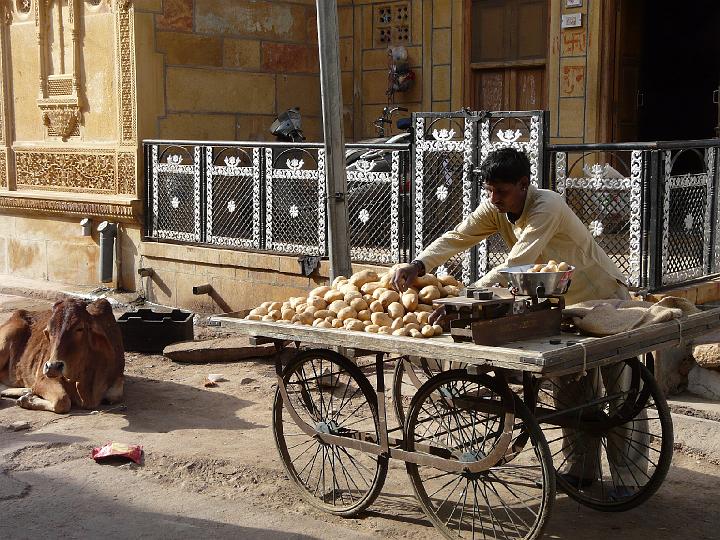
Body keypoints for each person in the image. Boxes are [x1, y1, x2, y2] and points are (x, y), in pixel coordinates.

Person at [391, 147, 646, 495]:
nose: (494, 198)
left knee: (619, 389)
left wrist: (465, 299)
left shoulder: (547, 206)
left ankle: (629, 478)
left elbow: (517, 264)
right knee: (570, 387)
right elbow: (458, 236)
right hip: (561, 307)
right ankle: (580, 470)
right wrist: (419, 265)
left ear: (524, 184)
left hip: (603, 299)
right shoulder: (495, 208)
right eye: (490, 191)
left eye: (502, 191)